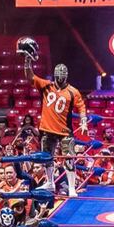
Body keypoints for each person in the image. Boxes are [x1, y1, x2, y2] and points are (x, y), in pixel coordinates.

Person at [24, 57, 88, 198]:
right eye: (58, 74)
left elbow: (81, 107)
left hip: (65, 130)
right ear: (54, 75)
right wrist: (27, 62)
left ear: (66, 76)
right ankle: (50, 182)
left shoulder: (73, 91)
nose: (60, 77)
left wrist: (83, 121)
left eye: (62, 75)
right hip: (47, 129)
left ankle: (72, 188)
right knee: (47, 157)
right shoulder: (46, 85)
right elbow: (30, 77)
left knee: (69, 158)